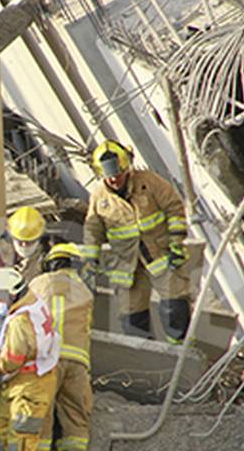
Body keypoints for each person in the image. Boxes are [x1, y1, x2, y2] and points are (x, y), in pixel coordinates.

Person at [82, 140, 192, 343]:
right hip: (126, 264)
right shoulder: (99, 197)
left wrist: (176, 242)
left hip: (161, 255)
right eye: (109, 176)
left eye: (118, 173)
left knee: (174, 308)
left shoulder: (149, 182)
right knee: (132, 318)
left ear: (127, 167)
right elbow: (93, 228)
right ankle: (146, 357)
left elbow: (174, 208)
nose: (114, 179)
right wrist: (90, 260)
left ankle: (180, 352)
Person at [0, 270, 60, 451]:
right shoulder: (32, 301)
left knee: (21, 442)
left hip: (30, 385)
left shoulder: (21, 320)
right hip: (24, 382)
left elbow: (13, 359)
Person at [29, 244, 94, 451]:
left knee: (42, 418)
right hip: (78, 361)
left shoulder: (37, 284)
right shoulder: (85, 291)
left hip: (46, 359)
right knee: (76, 418)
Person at [3, 206, 51, 284]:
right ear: (12, 238)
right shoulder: (2, 252)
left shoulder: (46, 261)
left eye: (29, 242)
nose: (24, 245)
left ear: (39, 239)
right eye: (20, 241)